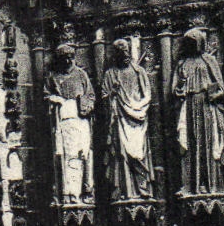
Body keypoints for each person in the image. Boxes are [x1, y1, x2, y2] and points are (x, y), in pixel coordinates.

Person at [172, 27, 224, 198]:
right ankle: (190, 184)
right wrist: (181, 87)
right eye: (188, 43)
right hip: (189, 106)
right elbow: (175, 89)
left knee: (208, 143)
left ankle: (211, 183)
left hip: (206, 106)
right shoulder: (182, 64)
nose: (192, 45)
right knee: (190, 144)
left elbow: (221, 88)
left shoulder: (209, 60)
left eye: (194, 42)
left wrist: (214, 94)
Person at [101, 38, 153, 202]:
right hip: (120, 119)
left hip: (137, 119)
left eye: (126, 52)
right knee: (121, 154)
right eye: (121, 53)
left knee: (139, 153)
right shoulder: (110, 74)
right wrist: (112, 93)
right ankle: (126, 191)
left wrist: (138, 108)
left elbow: (148, 96)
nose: (125, 55)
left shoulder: (139, 71)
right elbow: (103, 98)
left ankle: (142, 187)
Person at [47, 42, 95, 205]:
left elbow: (90, 96)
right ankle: (68, 193)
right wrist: (56, 100)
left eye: (71, 57)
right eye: (65, 58)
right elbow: (47, 95)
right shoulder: (54, 77)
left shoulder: (81, 75)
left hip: (80, 119)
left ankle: (86, 191)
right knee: (67, 157)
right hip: (64, 120)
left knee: (84, 154)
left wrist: (85, 105)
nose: (68, 61)